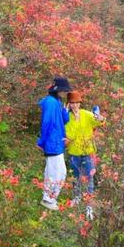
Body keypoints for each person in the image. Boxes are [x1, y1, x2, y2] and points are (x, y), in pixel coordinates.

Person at [64, 91, 104, 220]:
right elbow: (70, 135)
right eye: (72, 103)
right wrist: (73, 119)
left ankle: (89, 205)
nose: (74, 105)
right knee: (75, 176)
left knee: (89, 178)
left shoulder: (87, 114)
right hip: (74, 152)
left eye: (76, 103)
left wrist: (100, 118)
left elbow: (99, 122)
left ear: (80, 103)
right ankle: (77, 196)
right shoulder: (66, 117)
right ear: (68, 104)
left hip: (88, 152)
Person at [37, 77, 71, 211]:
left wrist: (65, 111)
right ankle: (48, 199)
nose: (65, 93)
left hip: (57, 142)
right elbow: (46, 123)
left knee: (59, 172)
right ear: (58, 89)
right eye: (64, 90)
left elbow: (65, 120)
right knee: (54, 172)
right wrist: (42, 141)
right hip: (52, 142)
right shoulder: (50, 102)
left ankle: (50, 197)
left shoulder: (57, 101)